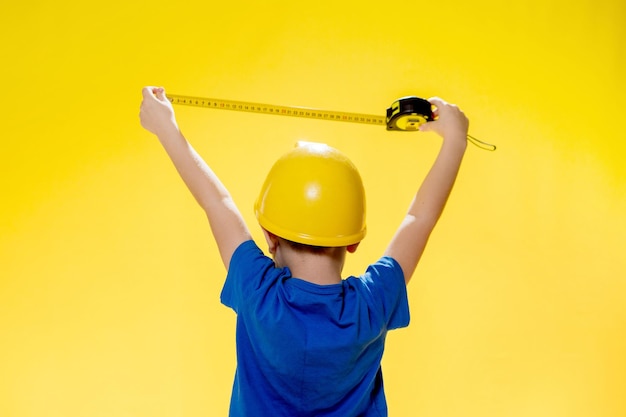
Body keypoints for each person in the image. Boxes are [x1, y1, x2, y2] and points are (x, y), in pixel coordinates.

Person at [139, 86, 468, 417]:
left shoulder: (258, 292)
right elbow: (419, 219)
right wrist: (455, 140)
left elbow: (216, 202)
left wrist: (166, 127)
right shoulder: (373, 303)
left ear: (270, 238)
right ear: (353, 242)